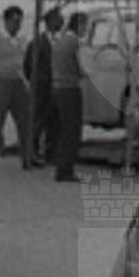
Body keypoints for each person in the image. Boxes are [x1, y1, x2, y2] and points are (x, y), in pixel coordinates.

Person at [0, 5, 32, 171]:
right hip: (0, 81)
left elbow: (27, 61)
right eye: (14, 21)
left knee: (24, 122)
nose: (17, 25)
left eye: (19, 21)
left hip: (18, 82)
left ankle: (27, 157)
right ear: (6, 21)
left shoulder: (23, 40)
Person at [51, 11, 86, 183]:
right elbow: (82, 66)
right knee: (72, 130)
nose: (85, 29)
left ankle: (61, 167)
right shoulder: (74, 42)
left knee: (63, 129)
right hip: (70, 88)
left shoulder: (60, 40)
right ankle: (66, 170)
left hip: (58, 88)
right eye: (84, 25)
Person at [25, 7, 59, 167]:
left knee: (54, 121)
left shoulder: (59, 41)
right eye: (58, 19)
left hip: (55, 86)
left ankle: (50, 153)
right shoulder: (37, 43)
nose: (61, 22)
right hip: (41, 87)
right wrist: (36, 81)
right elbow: (28, 65)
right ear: (50, 21)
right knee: (37, 120)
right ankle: (32, 152)